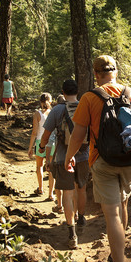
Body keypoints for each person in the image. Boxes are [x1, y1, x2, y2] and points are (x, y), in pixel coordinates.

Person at [64, 55, 131, 262]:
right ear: (115, 71)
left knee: (113, 215)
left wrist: (69, 158)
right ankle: (118, 254)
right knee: (124, 206)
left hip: (103, 161)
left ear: (97, 74)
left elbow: (78, 136)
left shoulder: (89, 98)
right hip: (130, 161)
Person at [40, 82, 89, 249]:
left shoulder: (57, 110)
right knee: (81, 188)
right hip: (83, 156)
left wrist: (41, 148)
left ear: (62, 92)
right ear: (77, 91)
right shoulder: (85, 106)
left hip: (62, 157)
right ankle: (81, 217)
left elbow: (46, 136)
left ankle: (71, 233)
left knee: (67, 194)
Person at [28, 92, 53, 199]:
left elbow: (34, 132)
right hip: (51, 142)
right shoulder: (52, 113)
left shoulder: (37, 114)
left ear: (40, 101)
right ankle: (51, 194)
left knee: (39, 166)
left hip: (39, 142)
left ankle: (41, 188)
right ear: (50, 101)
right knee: (51, 169)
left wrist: (30, 148)